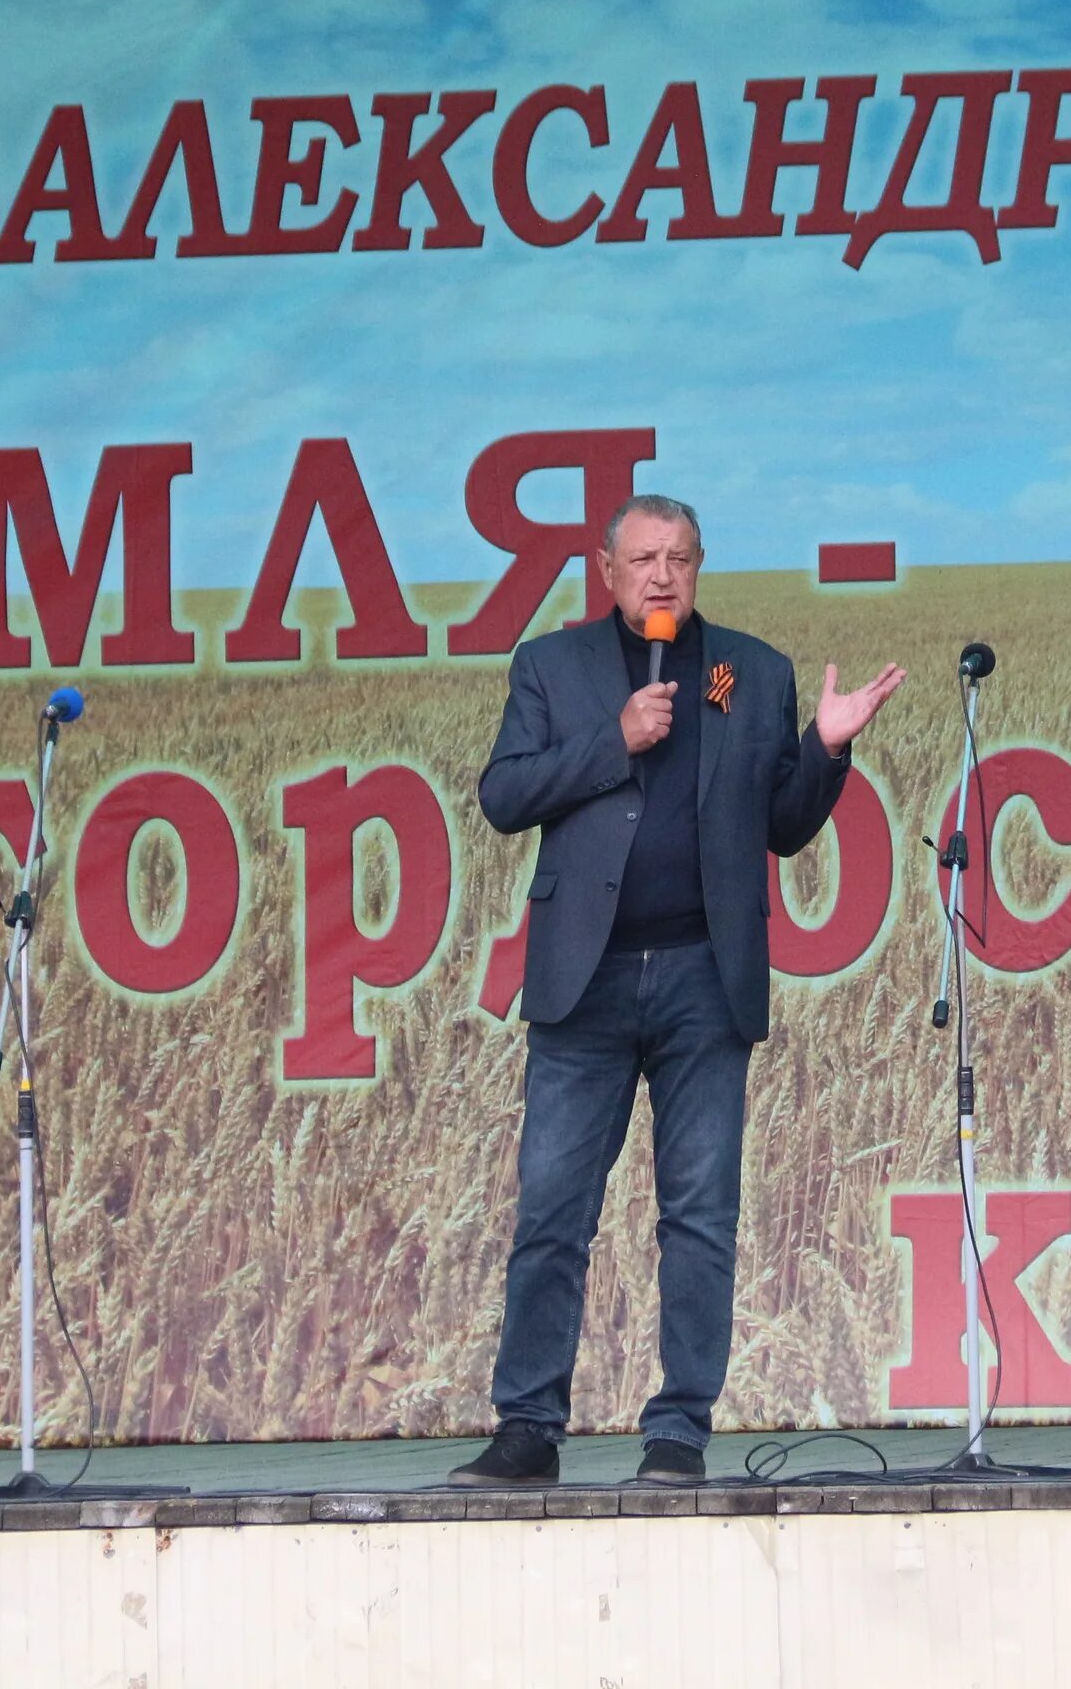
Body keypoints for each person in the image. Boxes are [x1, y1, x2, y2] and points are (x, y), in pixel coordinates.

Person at [450, 495, 905, 1488]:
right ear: (607, 569)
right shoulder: (550, 667)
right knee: (553, 1209)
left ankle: (679, 1430)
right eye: (644, 558)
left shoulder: (756, 669)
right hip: (588, 979)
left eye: (681, 559)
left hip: (706, 972)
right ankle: (529, 1425)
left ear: (700, 568)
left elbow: (782, 826)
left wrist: (826, 747)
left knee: (698, 1212)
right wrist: (615, 738)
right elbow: (503, 795)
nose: (662, 576)